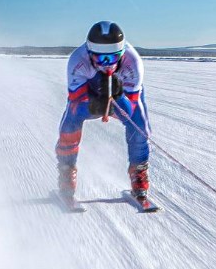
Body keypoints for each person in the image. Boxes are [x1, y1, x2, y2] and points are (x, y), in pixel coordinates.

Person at [55, 21, 151, 201]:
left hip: (122, 96)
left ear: (122, 54)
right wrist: (94, 97)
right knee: (70, 123)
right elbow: (76, 101)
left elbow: (129, 111)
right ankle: (66, 172)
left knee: (140, 126)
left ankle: (139, 173)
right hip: (87, 96)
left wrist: (119, 95)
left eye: (113, 58)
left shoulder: (133, 62)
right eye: (100, 59)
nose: (107, 64)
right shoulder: (77, 61)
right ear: (89, 53)